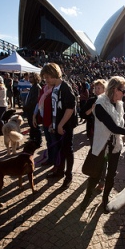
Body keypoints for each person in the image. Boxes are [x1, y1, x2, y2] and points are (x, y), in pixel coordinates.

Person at [79, 76, 125, 213]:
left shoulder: (119, 104)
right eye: (123, 90)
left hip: (115, 145)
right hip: (102, 145)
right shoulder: (100, 104)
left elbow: (121, 123)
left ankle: (105, 199)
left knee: (111, 174)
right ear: (115, 89)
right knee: (96, 174)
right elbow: (112, 127)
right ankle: (87, 197)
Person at [43, 63, 77, 191]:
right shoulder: (54, 87)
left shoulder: (65, 87)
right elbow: (55, 108)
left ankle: (68, 176)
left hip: (66, 126)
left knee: (68, 151)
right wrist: (53, 123)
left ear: (53, 75)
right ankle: (60, 171)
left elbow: (70, 108)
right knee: (60, 151)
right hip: (58, 125)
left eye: (47, 77)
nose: (46, 80)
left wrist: (61, 124)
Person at [79, 79, 107, 193]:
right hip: (93, 133)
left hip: (104, 134)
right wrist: (92, 108)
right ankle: (94, 174)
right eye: (95, 88)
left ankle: (102, 181)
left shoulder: (108, 101)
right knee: (94, 154)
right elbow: (82, 114)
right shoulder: (91, 100)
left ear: (104, 89)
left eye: (99, 88)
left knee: (104, 157)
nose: (96, 90)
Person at [23, 72, 42, 146]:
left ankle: (38, 141)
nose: (29, 78)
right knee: (32, 125)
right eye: (29, 77)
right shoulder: (33, 86)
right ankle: (32, 139)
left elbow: (35, 101)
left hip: (33, 110)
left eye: (31, 77)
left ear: (35, 78)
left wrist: (27, 107)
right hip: (30, 110)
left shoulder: (36, 87)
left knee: (35, 125)